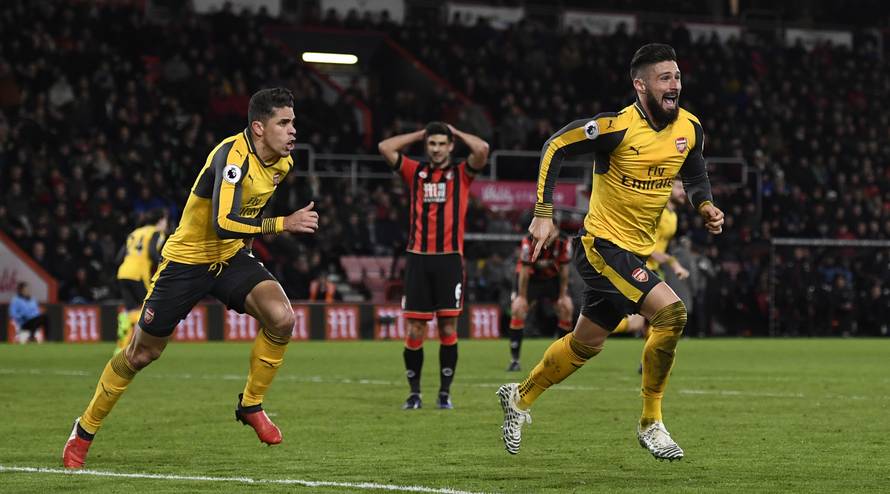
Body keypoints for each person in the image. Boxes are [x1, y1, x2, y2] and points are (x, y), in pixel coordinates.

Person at [63, 88, 320, 468]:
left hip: (230, 257)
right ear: (259, 127)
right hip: (186, 262)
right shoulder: (232, 158)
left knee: (282, 318)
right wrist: (283, 223)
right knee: (141, 354)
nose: (293, 130)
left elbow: (242, 223)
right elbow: (222, 221)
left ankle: (251, 405)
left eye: (293, 122)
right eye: (284, 123)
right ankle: (83, 430)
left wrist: (250, 247)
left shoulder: (282, 165)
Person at [497, 44, 724, 461]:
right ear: (641, 85)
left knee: (586, 344)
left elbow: (695, 174)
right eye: (664, 78)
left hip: (632, 255)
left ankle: (519, 398)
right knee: (671, 314)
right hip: (600, 246)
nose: (674, 85)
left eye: (676, 77)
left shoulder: (689, 128)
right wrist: (543, 213)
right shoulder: (616, 127)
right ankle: (651, 423)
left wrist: (704, 204)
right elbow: (555, 145)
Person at [378, 122, 489, 410]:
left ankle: (444, 393)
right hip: (417, 258)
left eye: (442, 143)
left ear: (451, 146)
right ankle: (414, 394)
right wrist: (420, 134)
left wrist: (457, 131)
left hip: (449, 259)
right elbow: (385, 147)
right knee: (415, 329)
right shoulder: (415, 172)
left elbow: (482, 149)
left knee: (448, 326)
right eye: (432, 144)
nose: (437, 149)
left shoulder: (461, 174)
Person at [507, 225, 573, 372]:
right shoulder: (528, 240)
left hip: (552, 279)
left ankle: (561, 359)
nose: (549, 237)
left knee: (566, 308)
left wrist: (563, 295)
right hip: (530, 279)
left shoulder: (563, 241)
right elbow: (524, 271)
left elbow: (564, 270)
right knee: (518, 309)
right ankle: (514, 360)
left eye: (552, 233)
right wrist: (522, 297)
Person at [114, 209, 168, 354]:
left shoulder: (134, 233)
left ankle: (122, 347)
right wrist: (163, 265)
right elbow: (151, 252)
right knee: (148, 307)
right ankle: (142, 346)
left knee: (131, 309)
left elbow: (118, 258)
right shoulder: (156, 233)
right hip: (138, 274)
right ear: (161, 220)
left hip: (123, 272)